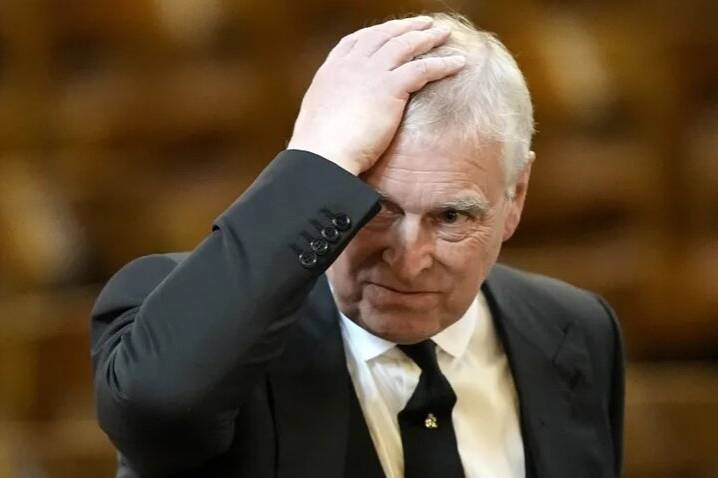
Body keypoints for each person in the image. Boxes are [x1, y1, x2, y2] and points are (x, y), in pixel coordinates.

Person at [91, 12, 624, 478]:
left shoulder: (574, 330)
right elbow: (156, 410)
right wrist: (315, 157)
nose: (409, 262)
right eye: (376, 209)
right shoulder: (196, 325)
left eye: (451, 216)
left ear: (516, 196)